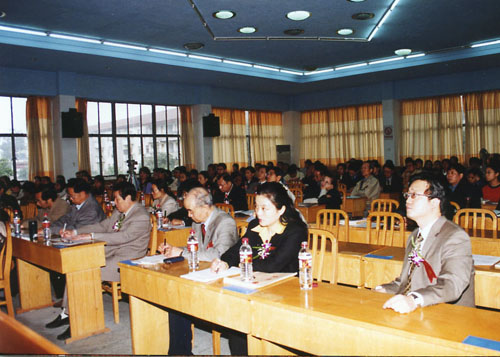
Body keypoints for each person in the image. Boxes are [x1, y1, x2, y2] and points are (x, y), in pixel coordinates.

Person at [211, 182, 308, 355]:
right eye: (256, 207)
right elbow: (237, 249)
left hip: (286, 290)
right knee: (236, 317)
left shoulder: (295, 230)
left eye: (265, 208)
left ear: (281, 210)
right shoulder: (255, 225)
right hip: (256, 285)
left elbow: (274, 264)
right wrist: (224, 262)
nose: (258, 213)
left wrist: (242, 264)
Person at [49, 182, 151, 340]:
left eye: (117, 199)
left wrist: (91, 237)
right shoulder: (120, 211)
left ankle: (78, 320)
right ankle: (66, 313)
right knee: (76, 267)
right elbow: (103, 226)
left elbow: (122, 237)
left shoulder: (141, 216)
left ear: (128, 198)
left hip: (126, 261)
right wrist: (75, 232)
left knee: (83, 272)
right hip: (111, 253)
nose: (114, 203)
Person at [375, 173, 475, 314]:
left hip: (448, 314)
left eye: (414, 195)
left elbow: (452, 284)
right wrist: (383, 289)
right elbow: (406, 281)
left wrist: (413, 299)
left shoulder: (455, 237)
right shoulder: (415, 235)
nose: (408, 201)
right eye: (407, 195)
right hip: (420, 307)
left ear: (434, 203)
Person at [158, 187, 238, 355]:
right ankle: (179, 352)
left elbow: (220, 254)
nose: (188, 215)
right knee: (176, 296)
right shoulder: (197, 222)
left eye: (190, 210)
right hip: (203, 274)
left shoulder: (225, 222)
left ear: (204, 207)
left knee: (181, 294)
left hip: (222, 280)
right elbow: (193, 249)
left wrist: (181, 253)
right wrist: (173, 249)